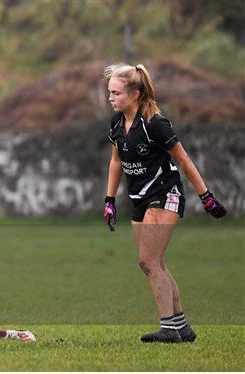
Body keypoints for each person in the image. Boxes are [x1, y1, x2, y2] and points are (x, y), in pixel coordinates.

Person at [102, 63, 227, 343]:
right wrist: (110, 200)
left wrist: (205, 196)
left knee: (147, 260)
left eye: (117, 93)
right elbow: (115, 161)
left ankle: (168, 327)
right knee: (155, 263)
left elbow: (183, 160)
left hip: (164, 194)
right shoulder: (116, 123)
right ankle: (181, 327)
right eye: (109, 92)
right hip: (138, 200)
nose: (110, 98)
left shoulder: (155, 124)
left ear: (135, 93)